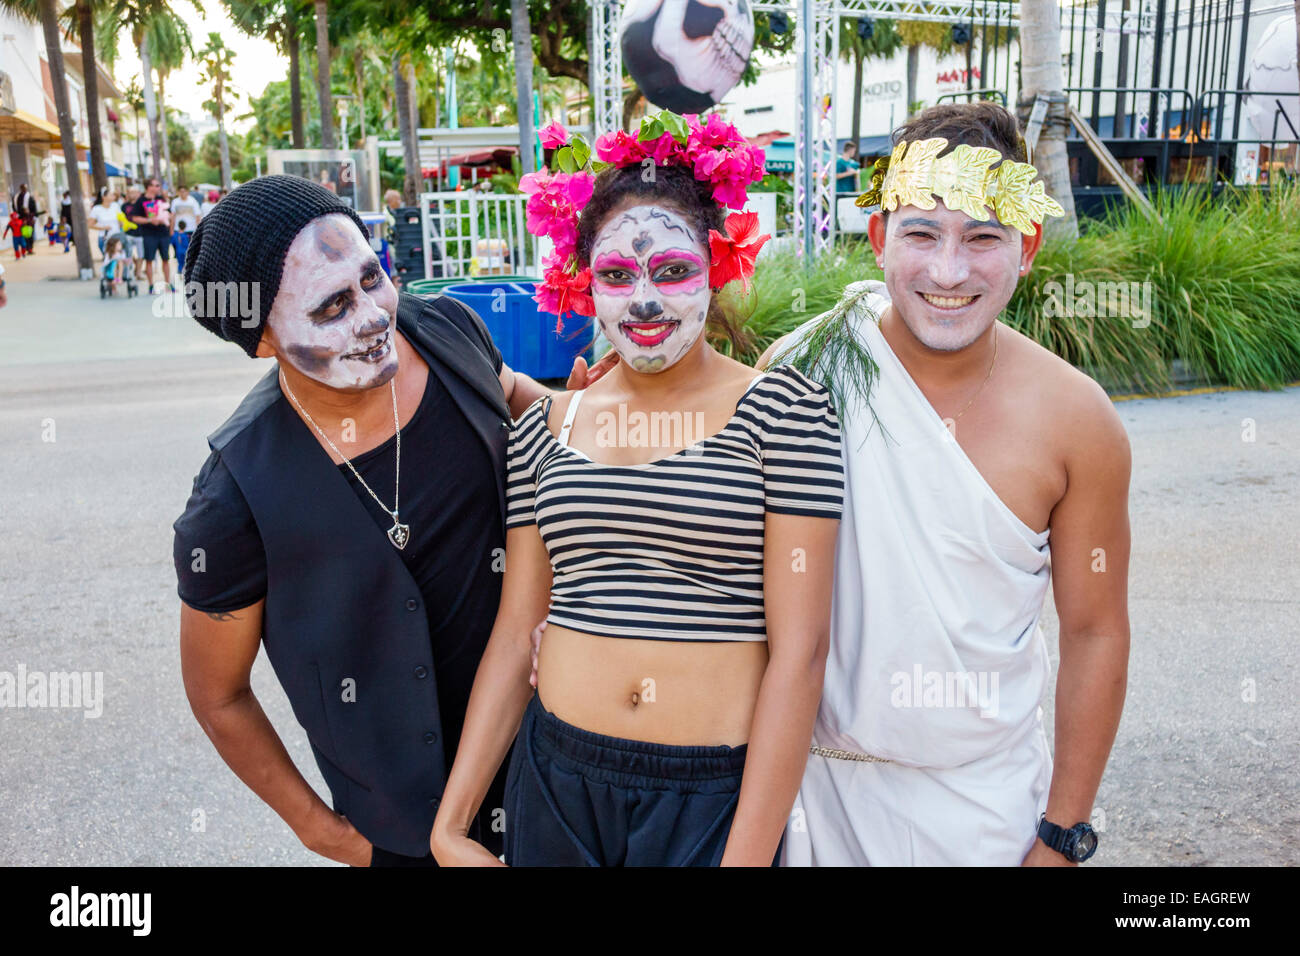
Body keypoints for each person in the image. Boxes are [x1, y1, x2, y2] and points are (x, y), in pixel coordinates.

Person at [431, 111, 844, 867]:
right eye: (617, 275)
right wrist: (451, 824)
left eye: (673, 271)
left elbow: (802, 654)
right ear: (585, 282)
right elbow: (514, 629)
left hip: (710, 799)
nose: (645, 301)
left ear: (716, 266)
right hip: (554, 782)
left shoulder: (786, 414)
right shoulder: (545, 429)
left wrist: (746, 859)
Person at [173, 174, 615, 867]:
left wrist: (582, 414)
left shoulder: (443, 331)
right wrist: (325, 833)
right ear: (262, 339)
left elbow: (520, 399)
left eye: (373, 277)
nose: (375, 315)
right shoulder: (233, 498)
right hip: (407, 835)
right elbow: (217, 694)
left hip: (558, 763)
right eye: (332, 306)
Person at [757, 101, 1132, 866]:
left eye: (982, 238)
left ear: (1026, 248)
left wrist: (1062, 836)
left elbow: (1095, 631)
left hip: (983, 809)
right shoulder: (800, 369)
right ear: (878, 239)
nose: (948, 271)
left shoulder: (1076, 420)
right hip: (807, 799)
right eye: (921, 233)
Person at [124, 177, 173, 292]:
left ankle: (168, 284)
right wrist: (150, 220)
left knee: (165, 259)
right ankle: (151, 285)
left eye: (158, 186)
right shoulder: (141, 201)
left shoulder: (161, 199)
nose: (158, 188)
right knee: (149, 260)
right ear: (149, 187)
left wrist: (166, 220)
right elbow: (135, 218)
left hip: (163, 233)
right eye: (155, 185)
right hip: (149, 234)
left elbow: (170, 214)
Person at [169, 185, 202, 270]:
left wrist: (198, 230)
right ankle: (180, 273)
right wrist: (171, 230)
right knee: (180, 254)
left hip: (190, 230)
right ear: (178, 192)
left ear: (187, 192)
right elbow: (173, 217)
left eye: (184, 191)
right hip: (179, 231)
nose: (183, 193)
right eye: (181, 191)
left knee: (191, 253)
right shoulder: (175, 202)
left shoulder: (193, 201)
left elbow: (197, 216)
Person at [90, 190, 122, 260]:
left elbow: (120, 220)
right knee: (110, 259)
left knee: (119, 259)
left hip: (117, 236)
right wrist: (103, 228)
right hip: (104, 237)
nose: (113, 196)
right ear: (103, 197)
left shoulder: (116, 206)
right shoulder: (96, 209)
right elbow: (90, 224)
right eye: (110, 195)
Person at [120, 186, 145, 275]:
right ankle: (134, 269)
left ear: (138, 193)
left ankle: (138, 272)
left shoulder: (142, 204)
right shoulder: (124, 206)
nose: (132, 194)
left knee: (141, 254)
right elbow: (121, 218)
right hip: (128, 233)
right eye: (130, 192)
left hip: (141, 233)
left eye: (134, 192)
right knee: (129, 253)